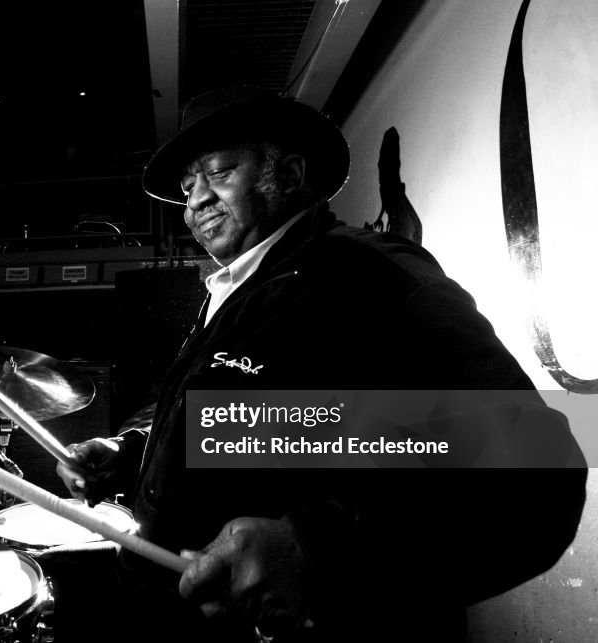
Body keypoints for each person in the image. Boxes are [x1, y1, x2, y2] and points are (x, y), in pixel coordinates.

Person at [56, 86, 587, 642]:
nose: (196, 202)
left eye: (218, 173)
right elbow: (253, 426)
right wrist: (130, 453)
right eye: (188, 188)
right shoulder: (240, 292)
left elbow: (534, 467)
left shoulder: (369, 278)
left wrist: (315, 549)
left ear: (287, 175)